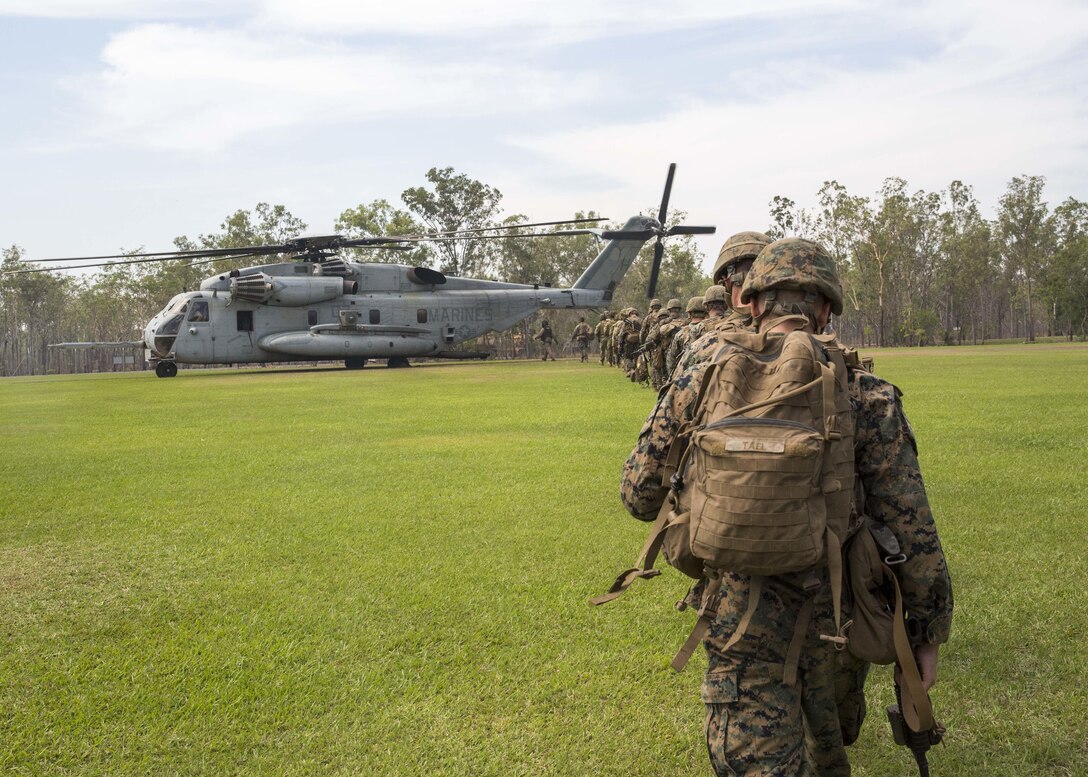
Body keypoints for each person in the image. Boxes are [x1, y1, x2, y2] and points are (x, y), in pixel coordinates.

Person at [619, 237, 953, 776]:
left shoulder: (699, 378)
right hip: (838, 625)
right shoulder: (868, 396)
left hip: (739, 625)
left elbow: (637, 496)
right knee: (830, 750)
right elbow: (913, 534)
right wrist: (926, 633)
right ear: (825, 309)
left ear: (750, 303)